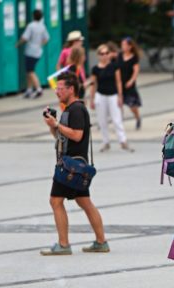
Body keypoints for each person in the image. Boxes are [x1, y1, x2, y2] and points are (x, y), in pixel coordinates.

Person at [41, 72, 109, 256]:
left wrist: (57, 124)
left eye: (60, 88)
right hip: (75, 165)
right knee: (84, 201)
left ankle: (63, 244)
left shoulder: (77, 109)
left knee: (55, 201)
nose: (57, 91)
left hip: (70, 166)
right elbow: (61, 136)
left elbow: (77, 135)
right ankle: (101, 242)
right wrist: (52, 125)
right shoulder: (69, 109)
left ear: (71, 89)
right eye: (56, 88)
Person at [89, 43, 130, 152]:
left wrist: (120, 96)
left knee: (117, 119)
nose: (105, 55)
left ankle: (123, 140)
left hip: (113, 95)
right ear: (98, 55)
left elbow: (118, 82)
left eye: (107, 53)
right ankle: (105, 141)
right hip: (100, 96)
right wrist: (91, 99)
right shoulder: (95, 69)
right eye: (102, 53)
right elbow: (93, 84)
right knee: (102, 120)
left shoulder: (114, 66)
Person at [16, 9, 49, 99]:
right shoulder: (42, 26)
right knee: (28, 71)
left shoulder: (31, 26)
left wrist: (17, 44)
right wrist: (39, 44)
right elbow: (46, 39)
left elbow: (25, 38)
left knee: (30, 71)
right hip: (38, 51)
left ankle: (38, 89)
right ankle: (29, 90)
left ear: (33, 16)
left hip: (30, 51)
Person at [119, 37, 142, 130]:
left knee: (132, 105)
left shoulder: (134, 57)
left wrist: (131, 81)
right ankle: (119, 123)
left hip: (129, 85)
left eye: (124, 45)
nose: (123, 47)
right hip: (120, 84)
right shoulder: (119, 55)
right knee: (118, 105)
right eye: (122, 45)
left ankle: (138, 118)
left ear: (130, 46)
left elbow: (136, 70)